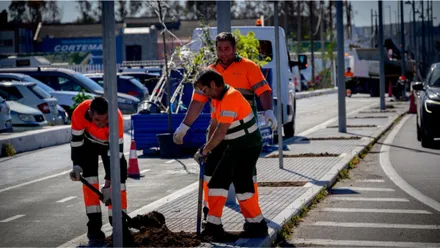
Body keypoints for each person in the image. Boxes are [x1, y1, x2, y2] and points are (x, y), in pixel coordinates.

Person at [173, 32, 276, 221]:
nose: (223, 53)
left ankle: (252, 215)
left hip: (243, 133)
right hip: (217, 131)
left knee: (246, 177)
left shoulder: (249, 67)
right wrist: (184, 126)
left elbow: (264, 91)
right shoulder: (210, 72)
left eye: (227, 49)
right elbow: (197, 103)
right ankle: (209, 213)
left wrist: (269, 111)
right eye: (219, 49)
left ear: (234, 49)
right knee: (210, 173)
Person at [193, 68, 268, 238]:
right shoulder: (217, 99)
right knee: (216, 182)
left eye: (204, 90)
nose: (204, 94)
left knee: (242, 184)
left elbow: (220, 131)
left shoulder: (231, 97)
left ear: (213, 84)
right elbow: (214, 123)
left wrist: (205, 150)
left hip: (247, 145)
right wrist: (207, 148)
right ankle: (213, 225)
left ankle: (257, 225)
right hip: (233, 144)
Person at [69, 96, 132, 247]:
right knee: (90, 182)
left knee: (119, 183)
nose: (102, 124)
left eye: (105, 120)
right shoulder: (79, 113)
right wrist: (77, 165)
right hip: (88, 144)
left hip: (110, 146)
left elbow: (116, 155)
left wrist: (109, 184)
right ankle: (95, 233)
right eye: (97, 120)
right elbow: (76, 142)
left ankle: (119, 227)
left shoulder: (116, 118)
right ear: (90, 113)